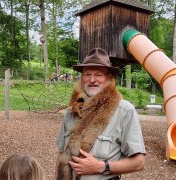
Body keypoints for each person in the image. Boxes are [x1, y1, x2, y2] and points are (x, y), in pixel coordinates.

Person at [55, 48, 146, 180]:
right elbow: (61, 154)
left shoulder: (125, 111)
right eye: (87, 74)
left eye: (98, 75)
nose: (92, 80)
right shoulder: (73, 110)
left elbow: (139, 162)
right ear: (82, 78)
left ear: (108, 79)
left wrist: (101, 167)